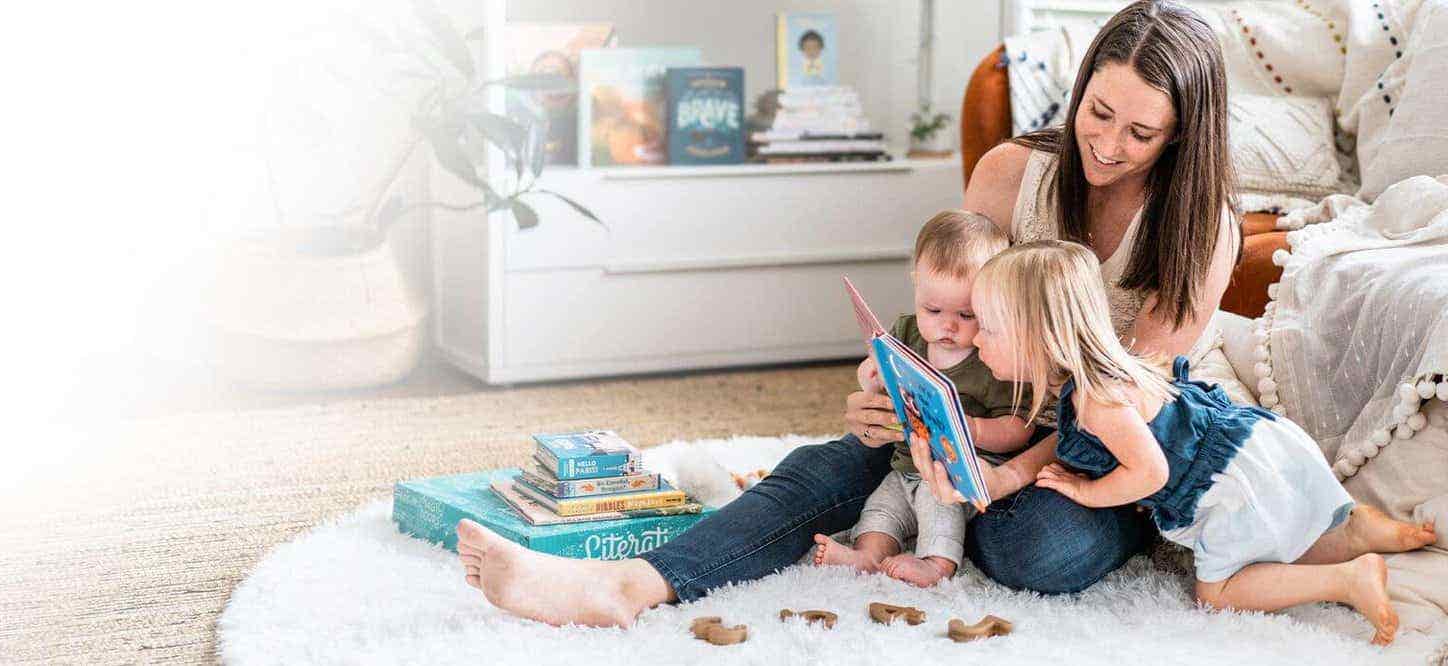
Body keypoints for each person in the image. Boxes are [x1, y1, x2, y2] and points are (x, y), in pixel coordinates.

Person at [455, 0, 1238, 628]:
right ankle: (628, 585)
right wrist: (901, 400)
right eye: (1097, 113)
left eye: (1141, 133)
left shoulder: (1199, 227)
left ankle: (983, 518)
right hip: (983, 422)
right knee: (842, 463)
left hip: (1113, 455)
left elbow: (1120, 410)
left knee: (1024, 542)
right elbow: (949, 327)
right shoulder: (1012, 176)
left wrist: (999, 473)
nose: (1106, 145)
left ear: (1181, 135)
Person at [970, 241, 1436, 645]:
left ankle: (1346, 580)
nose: (975, 338)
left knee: (1217, 595)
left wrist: (1083, 491)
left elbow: (1151, 473)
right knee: (1286, 541)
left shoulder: (1097, 401)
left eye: (988, 327)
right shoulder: (1114, 373)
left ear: (1038, 336)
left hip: (1227, 484)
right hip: (1256, 443)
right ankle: (1358, 531)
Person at [810, 210, 1033, 588]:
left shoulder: (993, 355)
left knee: (937, 502)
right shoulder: (907, 332)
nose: (947, 326)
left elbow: (1019, 430)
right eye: (933, 309)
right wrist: (870, 376)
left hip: (959, 473)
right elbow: (874, 372)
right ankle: (867, 555)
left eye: (967, 314)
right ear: (916, 285)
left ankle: (936, 563)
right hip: (905, 467)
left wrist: (970, 428)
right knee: (881, 508)